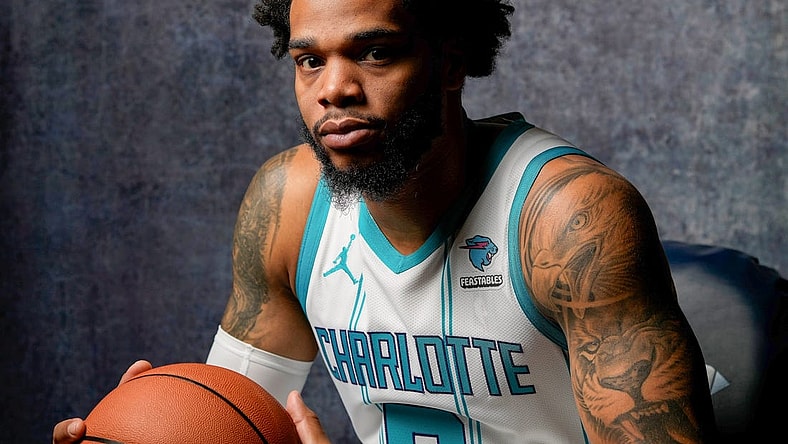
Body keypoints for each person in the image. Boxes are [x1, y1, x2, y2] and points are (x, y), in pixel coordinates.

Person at [53, 0, 720, 442]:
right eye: (310, 61)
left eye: (375, 53)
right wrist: (148, 421)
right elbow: (233, 418)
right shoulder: (288, 206)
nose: (333, 89)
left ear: (450, 60)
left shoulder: (568, 218)